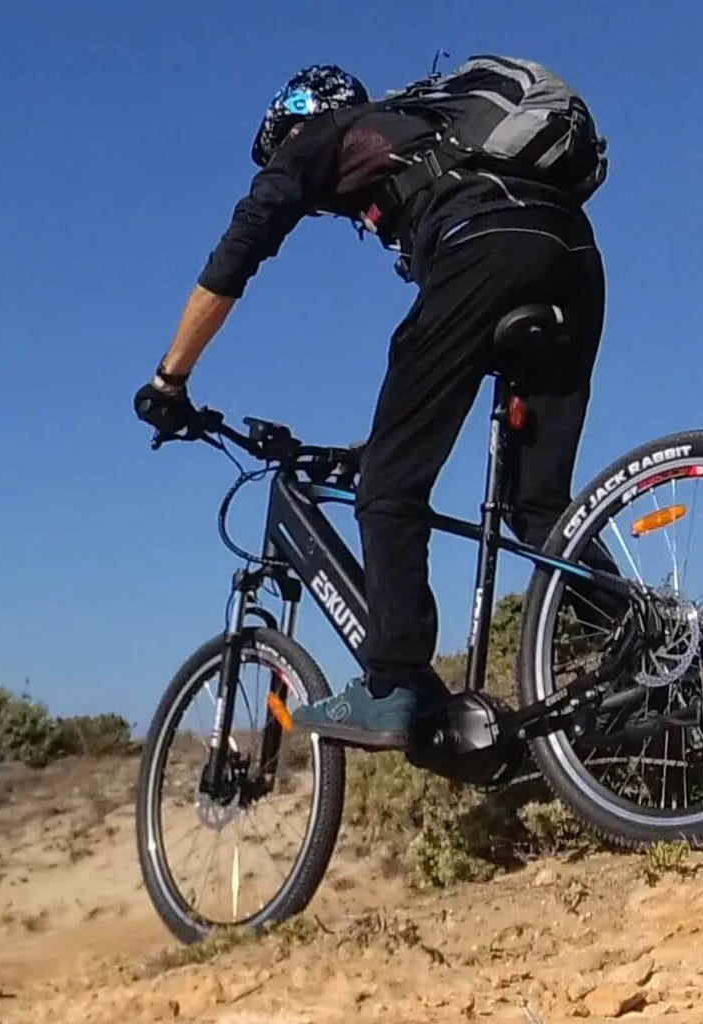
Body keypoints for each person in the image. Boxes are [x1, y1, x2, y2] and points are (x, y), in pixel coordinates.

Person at [135, 61, 608, 750]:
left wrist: (168, 381)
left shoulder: (319, 137)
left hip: (484, 246)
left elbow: (237, 253)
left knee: (390, 486)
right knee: (537, 511)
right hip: (573, 253)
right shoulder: (429, 132)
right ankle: (644, 652)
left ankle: (397, 684)